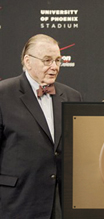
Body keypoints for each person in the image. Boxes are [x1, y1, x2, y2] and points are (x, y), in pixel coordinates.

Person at [0, 34, 82, 219]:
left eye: (58, 60)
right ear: (28, 62)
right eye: (47, 61)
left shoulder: (72, 96)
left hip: (59, 204)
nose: (54, 67)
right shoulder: (3, 94)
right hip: (16, 201)